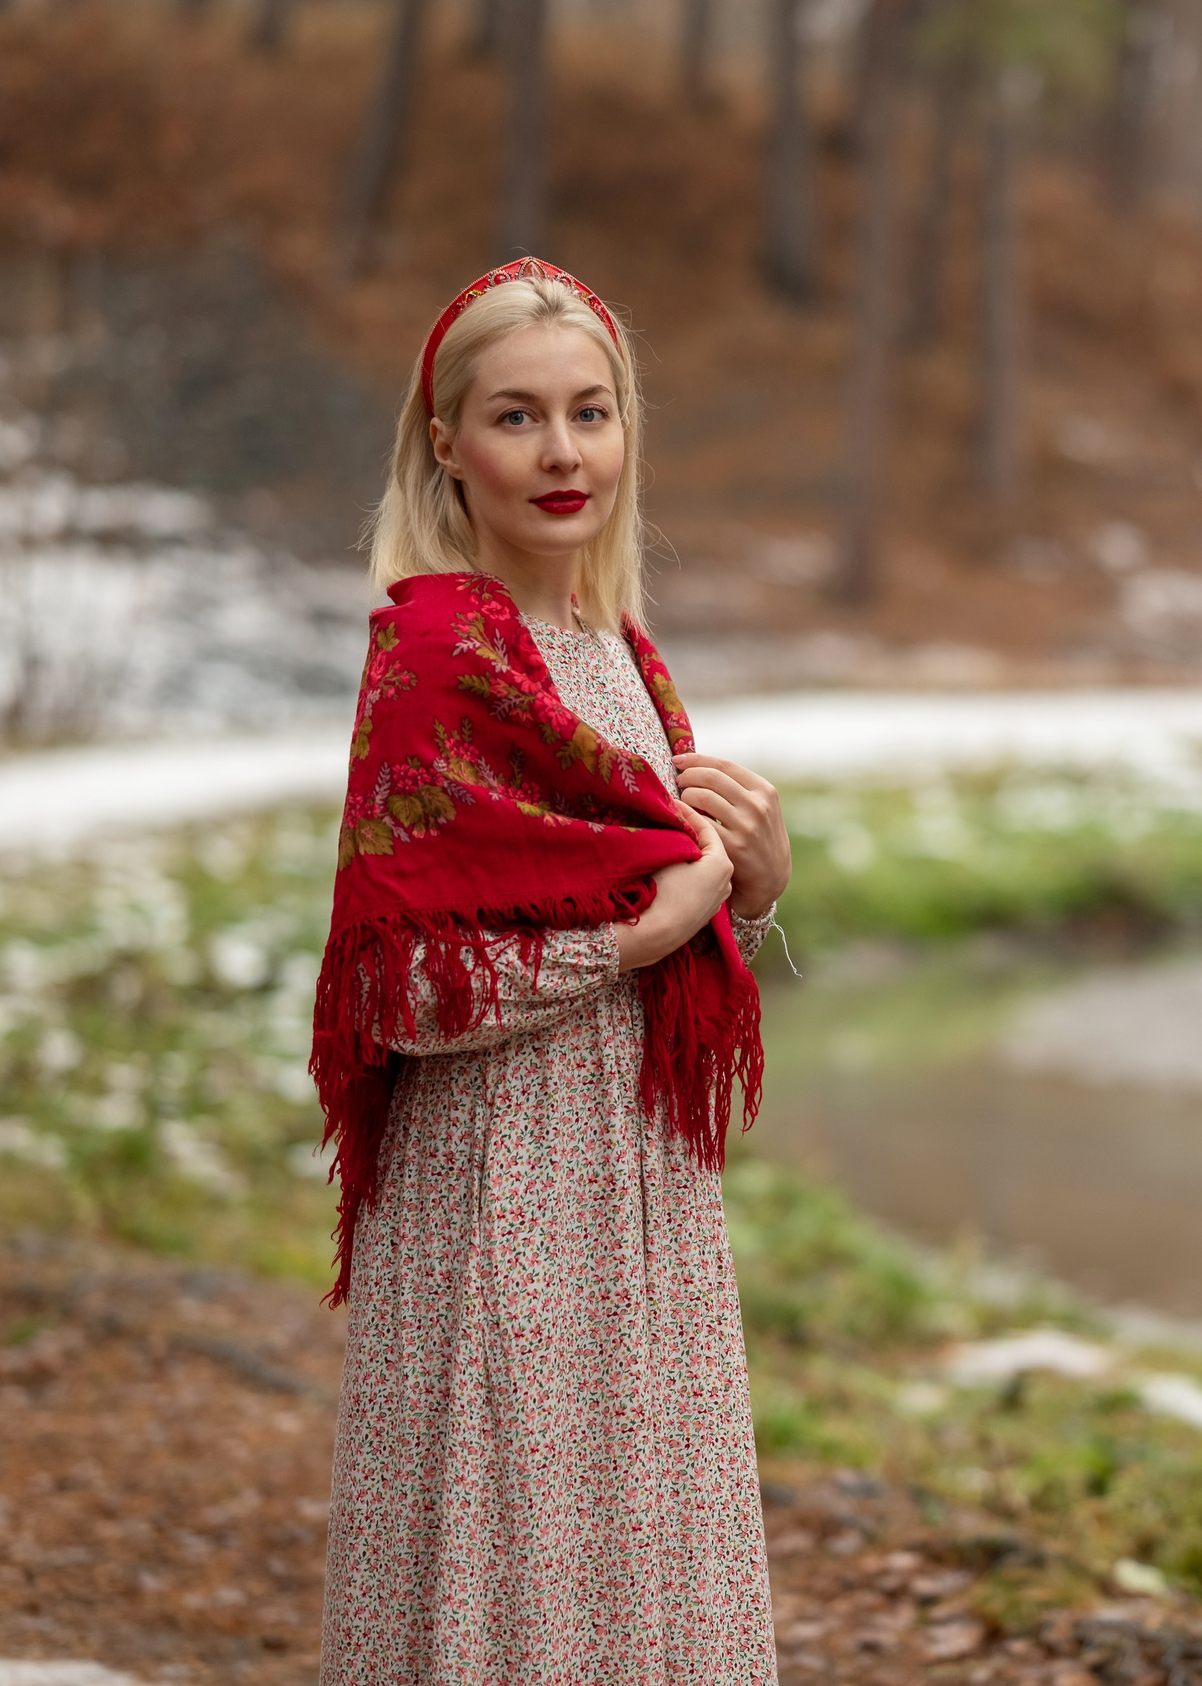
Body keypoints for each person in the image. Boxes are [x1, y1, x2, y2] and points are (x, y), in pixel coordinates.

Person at [309, 258, 788, 1684]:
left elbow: (664, 889)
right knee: (511, 1560)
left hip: (639, 1181)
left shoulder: (619, 654)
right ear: (447, 445)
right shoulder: (442, 658)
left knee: (641, 1556)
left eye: (592, 412)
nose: (564, 453)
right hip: (499, 1187)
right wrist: (642, 932)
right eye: (517, 418)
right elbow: (397, 993)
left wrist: (750, 889)